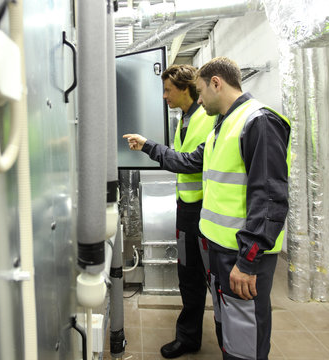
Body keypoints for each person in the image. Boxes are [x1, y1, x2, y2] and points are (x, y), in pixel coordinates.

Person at [123, 57, 291, 360]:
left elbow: (270, 199)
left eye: (200, 91)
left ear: (217, 83)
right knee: (230, 329)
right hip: (218, 243)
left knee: (244, 335)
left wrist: (249, 260)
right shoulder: (221, 127)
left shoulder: (259, 122)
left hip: (241, 252)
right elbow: (188, 163)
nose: (199, 99)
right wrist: (148, 146)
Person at [135, 64, 216, 358]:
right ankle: (189, 338)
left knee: (215, 281)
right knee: (188, 277)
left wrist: (149, 147)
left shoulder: (209, 118)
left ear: (185, 89)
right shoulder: (182, 118)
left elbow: (189, 162)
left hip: (208, 212)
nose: (164, 95)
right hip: (186, 211)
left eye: (168, 89)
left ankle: (230, 345)